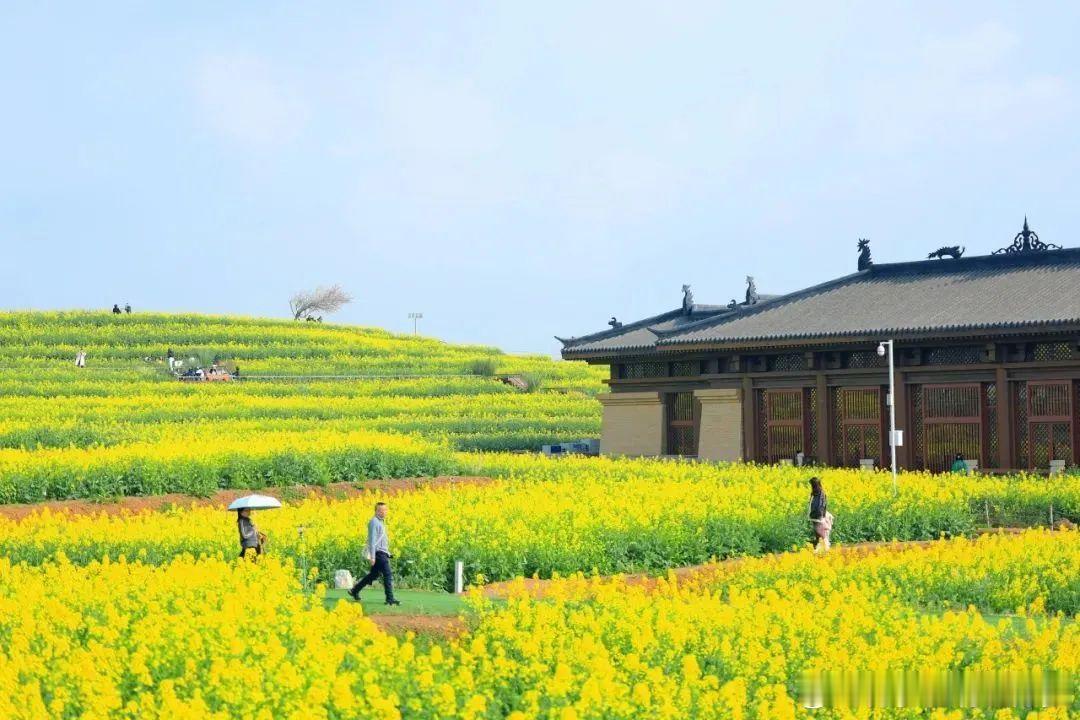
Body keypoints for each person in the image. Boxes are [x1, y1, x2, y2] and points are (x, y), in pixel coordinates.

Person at [349, 501, 400, 605]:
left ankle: (354, 590)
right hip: (378, 554)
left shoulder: (381, 522)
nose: (384, 512)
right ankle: (389, 599)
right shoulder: (374, 522)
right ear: (376, 511)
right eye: (382, 510)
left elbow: (381, 540)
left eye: (385, 510)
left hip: (382, 553)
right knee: (388, 574)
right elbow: (372, 540)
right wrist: (372, 557)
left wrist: (388, 553)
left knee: (373, 575)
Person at [808, 476, 833, 553]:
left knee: (820, 533)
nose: (812, 487)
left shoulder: (821, 493)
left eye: (812, 485)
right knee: (819, 533)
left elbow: (822, 505)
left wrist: (822, 515)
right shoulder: (816, 492)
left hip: (817, 516)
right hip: (815, 516)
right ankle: (820, 548)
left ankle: (824, 549)